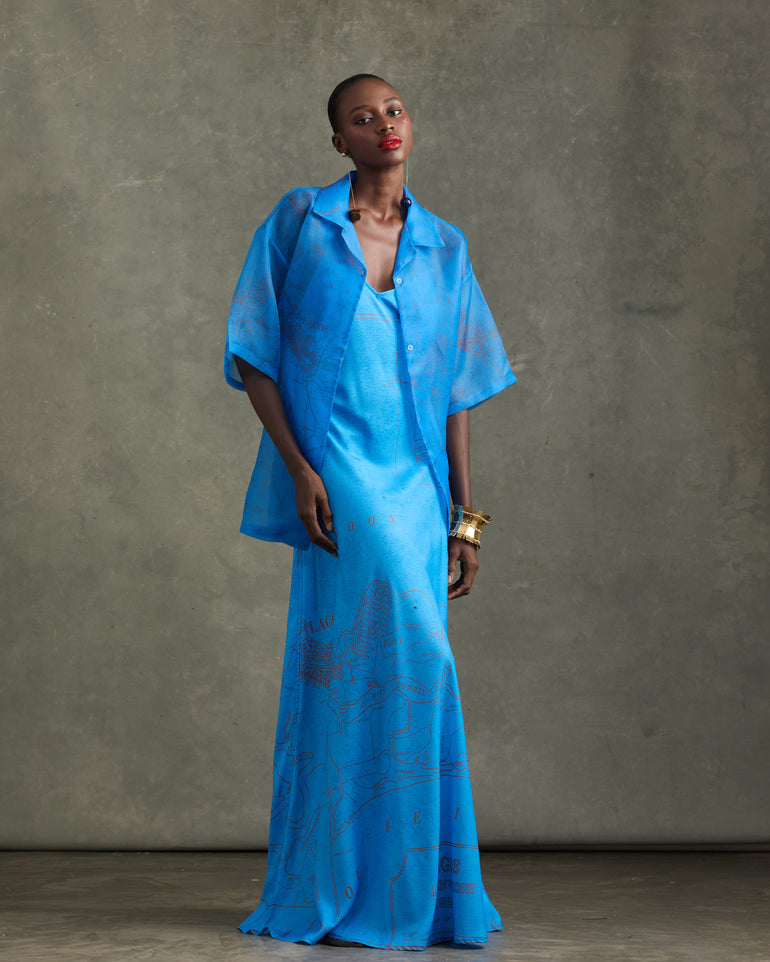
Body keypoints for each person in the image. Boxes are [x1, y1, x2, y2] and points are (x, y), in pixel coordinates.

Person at [225, 74, 516, 949]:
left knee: (381, 672)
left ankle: (416, 892)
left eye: (393, 110)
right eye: (362, 117)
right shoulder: (299, 223)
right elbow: (254, 352)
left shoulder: (444, 245)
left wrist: (465, 519)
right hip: (339, 468)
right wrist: (299, 467)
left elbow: (456, 391)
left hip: (418, 484)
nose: (384, 124)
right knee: (404, 658)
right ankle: (348, 884)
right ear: (338, 142)